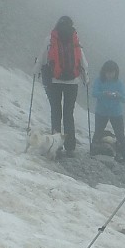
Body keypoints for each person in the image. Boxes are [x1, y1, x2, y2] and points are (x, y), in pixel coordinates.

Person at [39, 16, 86, 154]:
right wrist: (86, 78)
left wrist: (36, 71)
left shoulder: (50, 39)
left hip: (55, 81)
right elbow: (83, 61)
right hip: (72, 83)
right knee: (68, 114)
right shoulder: (75, 40)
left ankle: (56, 145)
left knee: (56, 112)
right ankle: (70, 147)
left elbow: (42, 59)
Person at [90, 60, 125, 163]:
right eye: (108, 72)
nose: (110, 75)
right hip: (101, 111)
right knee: (98, 131)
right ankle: (93, 150)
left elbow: (124, 99)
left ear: (116, 72)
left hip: (116, 112)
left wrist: (118, 95)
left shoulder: (119, 83)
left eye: (112, 72)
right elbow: (94, 93)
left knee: (120, 134)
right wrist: (103, 93)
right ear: (104, 72)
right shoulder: (99, 81)